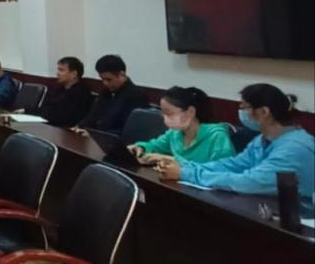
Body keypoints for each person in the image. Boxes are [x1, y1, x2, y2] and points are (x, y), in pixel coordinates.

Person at [158, 84, 314, 201]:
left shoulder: (294, 148)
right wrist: (185, 167)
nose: (241, 113)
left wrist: (187, 174)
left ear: (264, 112)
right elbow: (233, 165)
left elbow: (248, 182)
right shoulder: (262, 139)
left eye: (244, 108)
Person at [129, 87, 235, 164]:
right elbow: (155, 146)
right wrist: (141, 148)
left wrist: (171, 160)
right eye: (163, 113)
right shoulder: (175, 133)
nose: (164, 118)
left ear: (190, 112)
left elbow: (221, 170)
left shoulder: (217, 137)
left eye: (168, 113)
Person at [75, 54, 148, 135]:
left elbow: (128, 129)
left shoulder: (136, 95)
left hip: (115, 139)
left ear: (121, 75)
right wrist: (79, 127)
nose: (105, 83)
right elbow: (93, 116)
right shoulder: (106, 92)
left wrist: (94, 134)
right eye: (102, 79)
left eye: (109, 79)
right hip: (97, 137)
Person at [39, 57, 95, 128]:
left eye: (61, 70)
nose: (57, 73)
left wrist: (49, 114)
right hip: (51, 125)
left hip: (66, 129)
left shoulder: (81, 92)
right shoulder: (58, 89)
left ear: (74, 74)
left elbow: (66, 117)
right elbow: (44, 108)